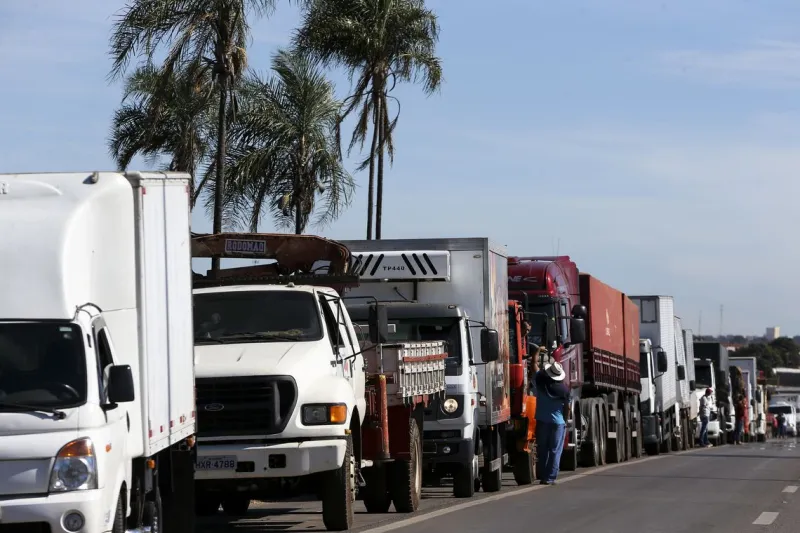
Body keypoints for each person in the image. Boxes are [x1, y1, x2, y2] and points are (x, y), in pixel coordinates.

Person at [534, 361, 570, 485]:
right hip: (558, 423)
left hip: (542, 420)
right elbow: (567, 407)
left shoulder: (540, 383)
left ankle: (543, 475)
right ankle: (550, 477)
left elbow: (535, 368)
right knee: (555, 450)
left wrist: (536, 357)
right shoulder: (564, 390)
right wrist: (565, 421)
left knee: (542, 449)